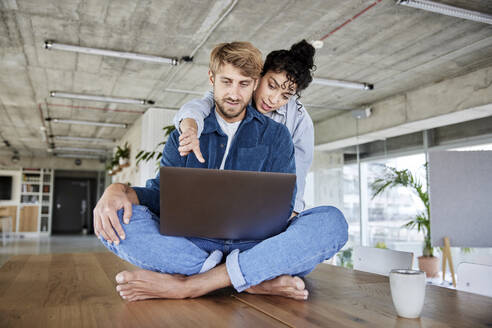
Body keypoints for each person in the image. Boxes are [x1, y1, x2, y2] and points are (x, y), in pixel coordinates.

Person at [93, 41, 348, 301]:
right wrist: (117, 191)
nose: (234, 94)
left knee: (331, 223)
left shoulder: (278, 136)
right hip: (195, 244)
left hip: (256, 245)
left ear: (254, 83)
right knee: (113, 221)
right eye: (227, 82)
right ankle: (251, 278)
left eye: (244, 84)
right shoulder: (186, 132)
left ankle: (193, 284)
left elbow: (284, 204)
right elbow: (161, 196)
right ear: (212, 79)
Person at [175, 40, 315, 215]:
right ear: (258, 78)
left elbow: (299, 169)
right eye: (271, 86)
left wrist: (292, 212)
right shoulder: (237, 95)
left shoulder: (299, 119)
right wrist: (190, 127)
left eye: (285, 96)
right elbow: (200, 106)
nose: (274, 100)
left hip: (264, 198)